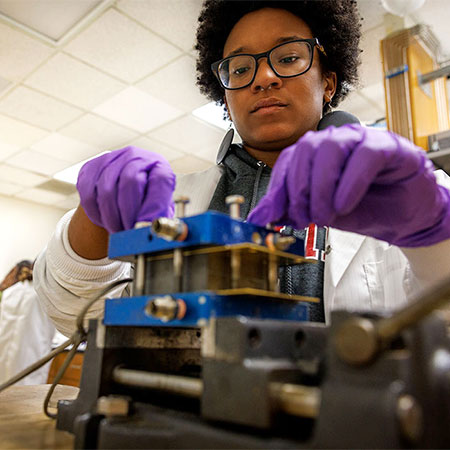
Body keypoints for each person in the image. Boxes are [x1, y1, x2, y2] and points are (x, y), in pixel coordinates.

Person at [34, 0, 450, 336]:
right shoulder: (177, 200)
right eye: (240, 68)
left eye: (288, 58)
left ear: (327, 83)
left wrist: (433, 232)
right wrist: (93, 218)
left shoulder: (406, 189)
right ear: (226, 97)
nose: (263, 77)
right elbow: (73, 316)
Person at [0, 261, 55, 385]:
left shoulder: (11, 291)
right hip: (30, 353)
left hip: (6, 352)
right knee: (26, 392)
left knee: (5, 389)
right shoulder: (42, 294)